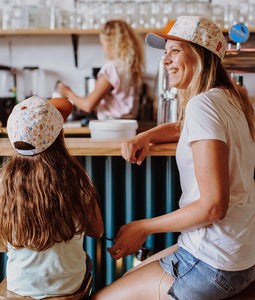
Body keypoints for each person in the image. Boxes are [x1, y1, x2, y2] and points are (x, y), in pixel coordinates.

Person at [91, 16, 255, 300]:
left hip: (212, 262)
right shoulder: (234, 97)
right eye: (165, 52)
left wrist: (142, 227)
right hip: (241, 255)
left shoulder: (202, 105)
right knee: (132, 274)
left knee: (100, 298)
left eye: (175, 51)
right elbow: (191, 128)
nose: (165, 60)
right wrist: (148, 135)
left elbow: (213, 207)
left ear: (201, 56)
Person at [0, 95, 104, 298]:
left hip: (19, 291)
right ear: (58, 136)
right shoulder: (77, 178)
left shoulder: (4, 183)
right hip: (70, 292)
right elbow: (97, 231)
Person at [57, 19, 144, 120]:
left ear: (111, 43)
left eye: (103, 44)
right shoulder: (131, 67)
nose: (104, 49)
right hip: (129, 126)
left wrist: (68, 93)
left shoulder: (111, 68)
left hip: (110, 127)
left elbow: (88, 105)